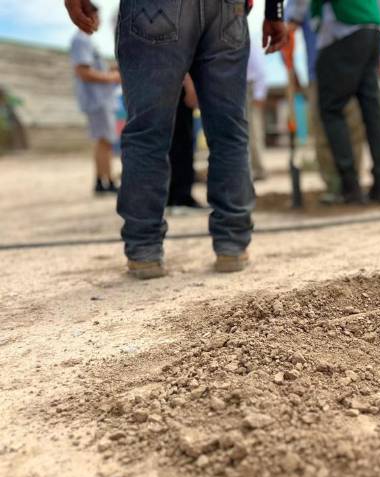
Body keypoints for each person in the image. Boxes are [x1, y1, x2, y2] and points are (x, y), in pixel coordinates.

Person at [64, 0, 288, 280]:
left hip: (156, 8)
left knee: (147, 131)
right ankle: (232, 244)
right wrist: (275, 11)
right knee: (229, 131)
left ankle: (144, 250)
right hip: (227, 9)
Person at [287, 0, 380, 205]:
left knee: (331, 109)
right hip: (372, 30)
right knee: (371, 109)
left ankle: (350, 186)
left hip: (343, 31)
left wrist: (292, 20)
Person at [69, 4, 120, 195]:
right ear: (87, 17)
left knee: (104, 141)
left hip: (100, 99)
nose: (98, 22)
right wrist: (112, 77)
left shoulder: (86, 41)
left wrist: (110, 72)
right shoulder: (81, 40)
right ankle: (105, 181)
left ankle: (104, 179)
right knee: (104, 140)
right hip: (97, 100)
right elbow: (83, 72)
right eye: (96, 17)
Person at [167, 75, 203, 210]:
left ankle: (171, 195)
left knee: (171, 141)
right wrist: (190, 84)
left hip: (160, 84)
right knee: (182, 142)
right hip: (177, 85)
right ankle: (181, 196)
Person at [247, 44, 269, 181]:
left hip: (249, 87)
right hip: (234, 86)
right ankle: (248, 169)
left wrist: (259, 93)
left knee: (253, 131)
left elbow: (260, 68)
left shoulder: (248, 37)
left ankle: (258, 169)